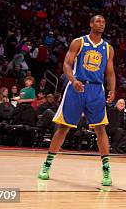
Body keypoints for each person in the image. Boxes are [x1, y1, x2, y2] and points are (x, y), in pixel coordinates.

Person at [37, 15, 116, 186]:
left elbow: (110, 72)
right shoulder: (78, 42)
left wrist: (113, 89)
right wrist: (72, 80)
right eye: (97, 21)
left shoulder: (108, 48)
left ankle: (106, 171)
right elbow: (66, 64)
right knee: (63, 127)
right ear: (90, 23)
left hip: (96, 90)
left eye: (103, 22)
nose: (101, 24)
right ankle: (46, 165)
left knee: (100, 128)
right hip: (77, 87)